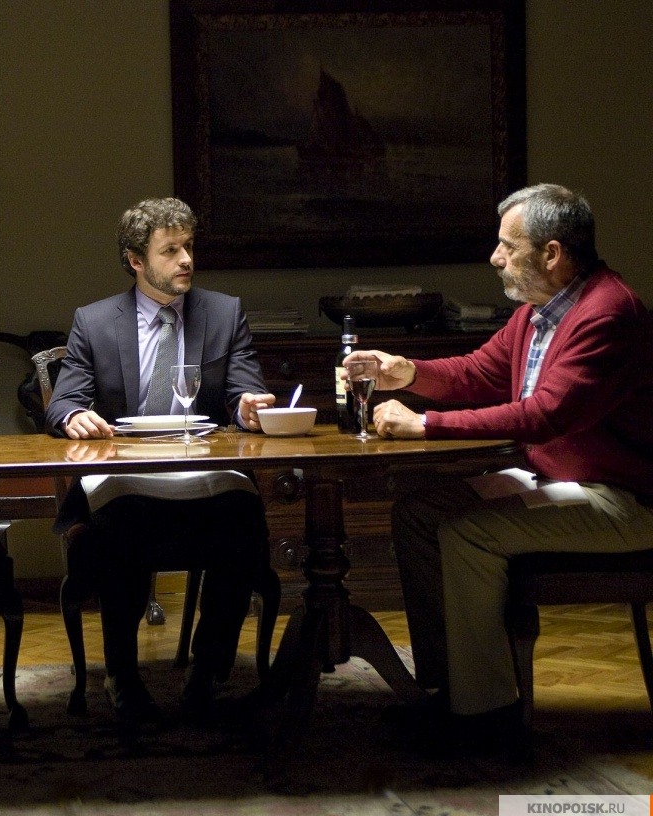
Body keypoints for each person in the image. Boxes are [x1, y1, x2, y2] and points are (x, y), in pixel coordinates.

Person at [345, 183, 653, 752]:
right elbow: (478, 372)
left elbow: (545, 416)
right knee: (417, 514)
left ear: (552, 253)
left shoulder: (608, 312)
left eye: (508, 246)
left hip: (623, 500)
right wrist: (405, 371)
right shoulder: (539, 313)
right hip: (560, 483)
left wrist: (427, 424)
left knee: (468, 534)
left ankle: (486, 716)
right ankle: (447, 688)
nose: (495, 257)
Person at [44, 197, 279, 724]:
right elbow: (62, 401)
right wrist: (74, 415)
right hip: (127, 477)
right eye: (170, 250)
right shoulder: (95, 322)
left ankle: (208, 671)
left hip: (204, 474)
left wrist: (248, 406)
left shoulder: (224, 313)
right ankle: (122, 676)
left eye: (189, 247)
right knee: (120, 521)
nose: (186, 260)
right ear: (135, 260)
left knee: (245, 515)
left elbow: (244, 389)